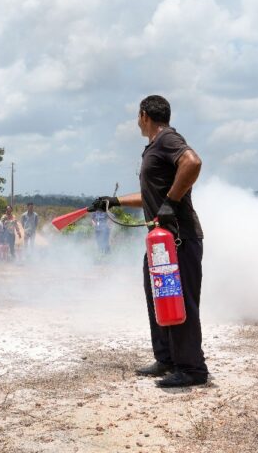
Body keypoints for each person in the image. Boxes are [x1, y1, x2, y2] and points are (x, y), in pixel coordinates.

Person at [88, 95, 208, 388]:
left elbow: (193, 163)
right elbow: (150, 196)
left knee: (181, 301)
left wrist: (171, 202)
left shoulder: (168, 139)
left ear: (144, 115)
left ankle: (192, 368)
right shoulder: (154, 147)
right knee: (158, 297)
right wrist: (113, 201)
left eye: (137, 116)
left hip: (179, 237)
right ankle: (166, 358)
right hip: (160, 243)